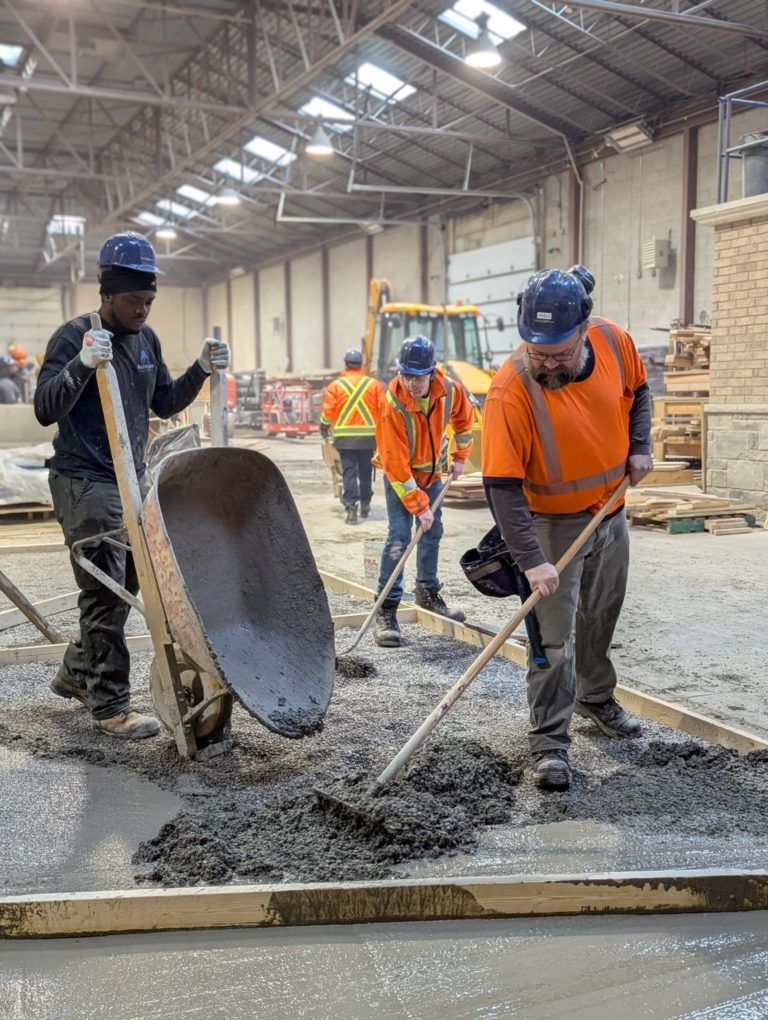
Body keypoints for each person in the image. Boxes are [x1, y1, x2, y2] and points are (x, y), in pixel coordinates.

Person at [34, 232, 230, 741]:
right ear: (107, 294)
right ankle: (110, 708)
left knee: (134, 582)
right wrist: (81, 364)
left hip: (130, 479)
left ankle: (78, 674)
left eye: (148, 300)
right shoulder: (74, 336)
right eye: (133, 301)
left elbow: (163, 402)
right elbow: (44, 409)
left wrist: (201, 371)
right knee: (106, 593)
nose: (142, 310)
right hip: (85, 480)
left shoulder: (147, 340)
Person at [481, 265, 653, 790]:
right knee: (551, 641)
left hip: (609, 512)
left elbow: (640, 391)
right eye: (538, 352)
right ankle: (550, 743)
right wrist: (532, 560)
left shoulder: (612, 339)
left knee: (602, 614)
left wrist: (640, 446)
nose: (548, 363)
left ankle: (595, 699)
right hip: (551, 526)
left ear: (583, 330)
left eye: (559, 352)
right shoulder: (510, 392)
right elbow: (502, 486)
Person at [373, 335, 474, 647]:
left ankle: (427, 593)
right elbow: (396, 464)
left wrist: (460, 457)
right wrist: (420, 505)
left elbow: (464, 421)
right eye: (405, 375)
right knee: (400, 537)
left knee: (433, 531)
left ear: (432, 372)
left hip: (431, 476)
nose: (411, 383)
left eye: (417, 377)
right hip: (401, 478)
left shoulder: (450, 391)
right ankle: (386, 608)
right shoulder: (392, 404)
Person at [319, 347, 385, 524]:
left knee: (349, 471)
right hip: (368, 438)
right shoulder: (374, 385)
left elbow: (328, 412)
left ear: (346, 364)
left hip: (345, 439)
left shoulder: (336, 386)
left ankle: (351, 509)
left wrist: (324, 426)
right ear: (360, 364)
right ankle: (365, 504)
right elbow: (383, 410)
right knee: (366, 471)